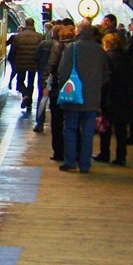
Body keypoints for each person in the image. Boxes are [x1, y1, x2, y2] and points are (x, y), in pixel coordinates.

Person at [56, 18, 109, 173]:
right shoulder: (99, 50)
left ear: (77, 32)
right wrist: (95, 87)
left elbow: (63, 72)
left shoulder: (71, 48)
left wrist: (62, 89)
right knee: (88, 131)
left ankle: (70, 161)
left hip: (73, 96)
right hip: (92, 98)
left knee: (70, 128)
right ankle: (85, 164)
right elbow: (106, 74)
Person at [94, 31, 133, 166]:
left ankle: (105, 153)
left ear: (107, 44)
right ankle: (121, 156)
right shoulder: (127, 58)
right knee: (121, 129)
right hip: (125, 96)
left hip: (109, 96)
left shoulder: (106, 57)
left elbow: (103, 78)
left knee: (105, 127)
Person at [43, 21, 75, 160]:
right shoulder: (77, 48)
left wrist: (46, 84)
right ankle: (74, 152)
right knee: (72, 122)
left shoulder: (58, 47)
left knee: (56, 122)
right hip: (74, 89)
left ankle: (58, 152)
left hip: (57, 89)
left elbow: (51, 66)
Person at [11, 17, 43, 114]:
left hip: (20, 63)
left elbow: (13, 51)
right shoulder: (39, 37)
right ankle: (29, 103)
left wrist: (14, 63)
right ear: (33, 24)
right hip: (33, 63)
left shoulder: (18, 37)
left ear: (25, 24)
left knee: (20, 82)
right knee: (31, 83)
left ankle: (25, 95)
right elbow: (41, 51)